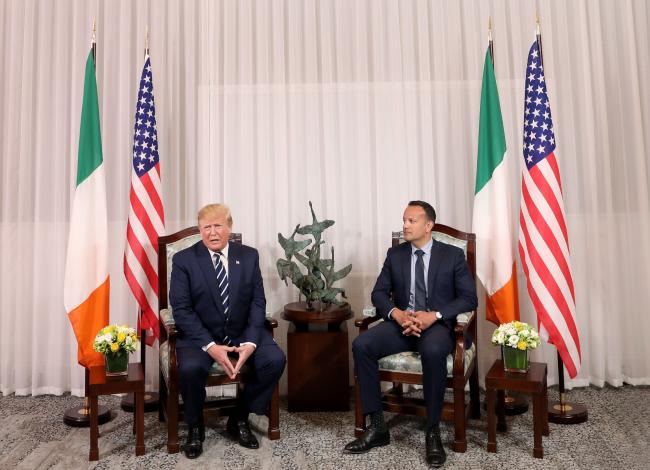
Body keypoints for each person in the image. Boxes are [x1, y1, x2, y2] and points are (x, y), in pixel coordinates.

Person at [344, 201, 477, 467]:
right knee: (362, 345)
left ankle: (432, 430)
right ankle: (378, 426)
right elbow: (379, 293)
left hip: (437, 326)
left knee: (433, 350)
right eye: (404, 220)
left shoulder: (452, 255)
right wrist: (397, 314)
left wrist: (435, 315)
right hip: (402, 324)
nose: (404, 225)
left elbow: (468, 298)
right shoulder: (396, 255)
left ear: (428, 226)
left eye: (411, 221)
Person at [169, 203, 286, 459]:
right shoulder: (184, 260)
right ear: (200, 230)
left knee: (275, 360)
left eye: (218, 225)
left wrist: (251, 343)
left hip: (243, 332)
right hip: (200, 337)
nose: (212, 233)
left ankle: (240, 416)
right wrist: (210, 347)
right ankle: (195, 426)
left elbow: (258, 302)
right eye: (206, 227)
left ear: (229, 227)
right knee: (189, 369)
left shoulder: (248, 256)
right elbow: (182, 309)